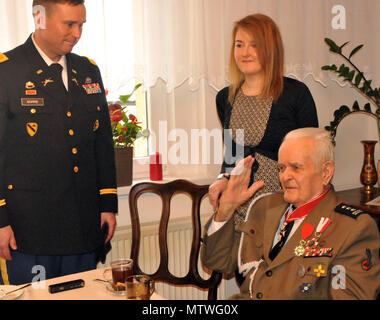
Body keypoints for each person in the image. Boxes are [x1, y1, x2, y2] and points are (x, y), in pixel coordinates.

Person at [0, 0, 118, 285]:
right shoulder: (7, 71)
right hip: (26, 232)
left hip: (83, 228)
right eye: (69, 24)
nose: (77, 33)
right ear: (40, 18)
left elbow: (101, 143)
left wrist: (108, 204)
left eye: (81, 25)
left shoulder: (89, 71)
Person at [201, 128, 380, 299]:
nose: (285, 176)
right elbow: (217, 262)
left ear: (326, 172)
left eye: (296, 167)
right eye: (281, 168)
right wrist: (225, 209)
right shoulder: (264, 206)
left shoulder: (352, 228)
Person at [209, 14, 318, 226]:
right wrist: (223, 179)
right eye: (239, 45)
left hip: (286, 208)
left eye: (254, 45)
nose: (245, 53)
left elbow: (312, 158)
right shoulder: (225, 98)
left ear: (270, 49)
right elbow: (234, 153)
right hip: (239, 210)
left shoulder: (295, 94)